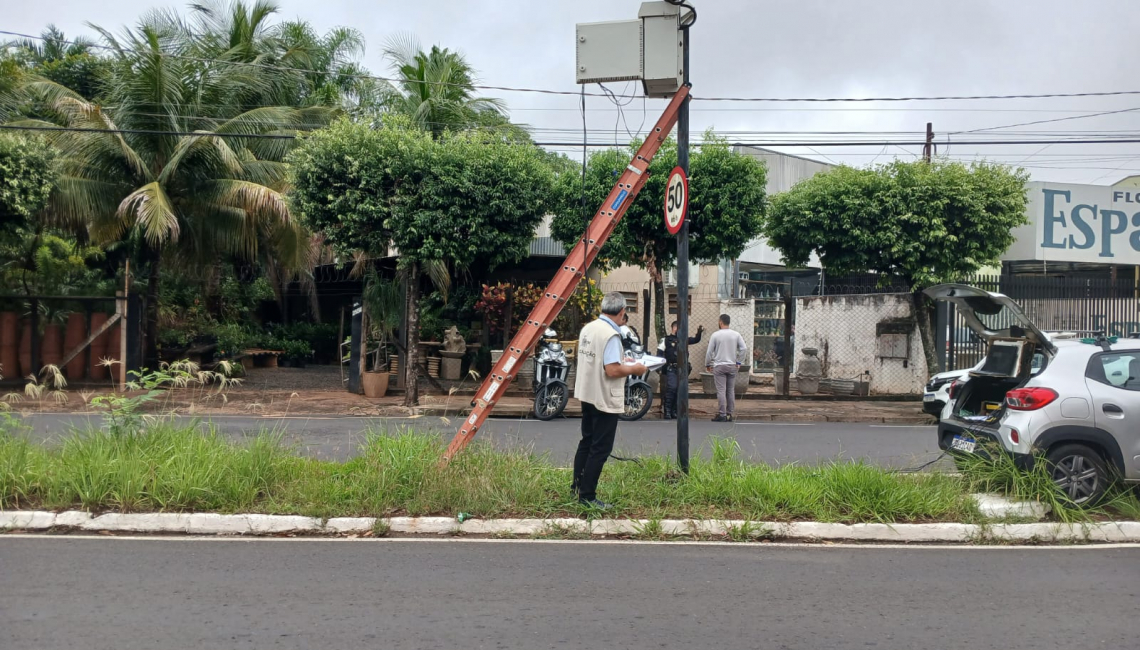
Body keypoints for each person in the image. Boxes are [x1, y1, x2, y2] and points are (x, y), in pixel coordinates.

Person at [572, 292, 647, 508]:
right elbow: (612, 369)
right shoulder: (612, 335)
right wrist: (635, 368)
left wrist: (623, 361)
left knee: (586, 441)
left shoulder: (589, 328)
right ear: (622, 312)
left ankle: (577, 487)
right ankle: (587, 496)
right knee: (601, 448)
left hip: (588, 392)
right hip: (604, 396)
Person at [705, 314, 747, 422]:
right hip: (732, 365)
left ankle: (722, 414)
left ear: (720, 322)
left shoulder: (715, 335)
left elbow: (710, 352)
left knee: (721, 390)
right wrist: (739, 361)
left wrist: (708, 364)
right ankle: (729, 414)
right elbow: (743, 348)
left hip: (719, 366)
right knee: (730, 390)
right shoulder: (736, 335)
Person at [659, 320, 703, 419]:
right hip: (671, 367)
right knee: (672, 388)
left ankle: (674, 411)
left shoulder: (684, 339)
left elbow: (695, 340)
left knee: (679, 390)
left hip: (682, 369)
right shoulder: (666, 340)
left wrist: (699, 332)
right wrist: (660, 367)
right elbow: (659, 353)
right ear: (674, 328)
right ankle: (667, 411)